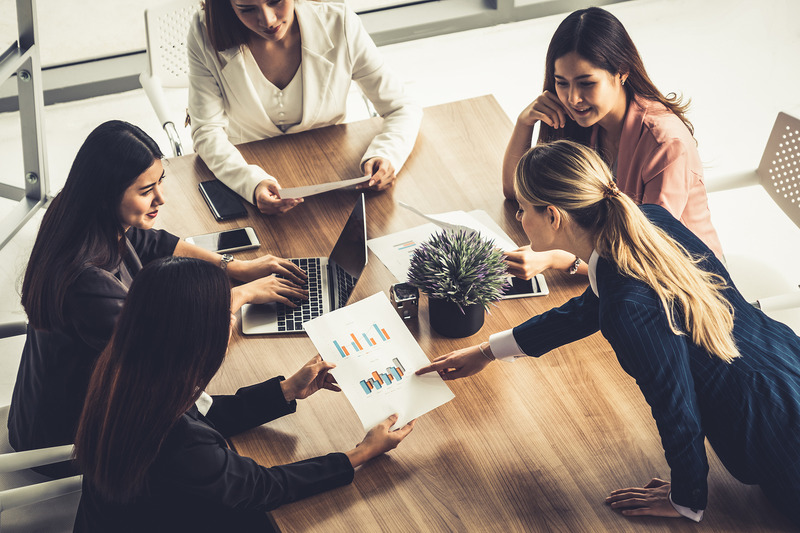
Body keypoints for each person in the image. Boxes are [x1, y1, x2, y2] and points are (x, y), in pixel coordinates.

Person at [418, 140, 800, 525]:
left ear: (553, 216)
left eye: (523, 208)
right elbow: (590, 306)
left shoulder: (627, 304)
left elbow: (674, 406)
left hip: (770, 426)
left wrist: (685, 497)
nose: (519, 217)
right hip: (784, 358)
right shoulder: (648, 221)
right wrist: (487, 352)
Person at [9, 120, 308, 477]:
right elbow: (178, 364)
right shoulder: (87, 283)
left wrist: (234, 267)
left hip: (43, 407)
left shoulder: (78, 216)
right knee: (223, 465)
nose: (161, 198)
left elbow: (154, 243)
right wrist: (236, 296)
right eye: (146, 190)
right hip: (67, 443)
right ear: (106, 194)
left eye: (160, 181)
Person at [72, 256, 414, 531]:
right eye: (227, 314)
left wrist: (286, 390)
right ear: (197, 336)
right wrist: (361, 453)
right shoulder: (182, 441)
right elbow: (263, 488)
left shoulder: (126, 373)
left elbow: (205, 413)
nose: (232, 322)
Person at [501, 6, 723, 280]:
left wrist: (559, 258)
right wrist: (525, 123)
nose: (572, 98)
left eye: (586, 83)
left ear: (622, 72)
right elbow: (516, 192)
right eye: (562, 83)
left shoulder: (666, 143)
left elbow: (647, 253)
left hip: (688, 283)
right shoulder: (576, 121)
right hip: (614, 272)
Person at [188, 0, 423, 214]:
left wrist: (386, 153)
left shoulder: (339, 23)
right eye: (247, 9)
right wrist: (250, 183)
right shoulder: (203, 32)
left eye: (275, 1)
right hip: (248, 173)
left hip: (333, 180)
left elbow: (402, 106)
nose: (268, 20)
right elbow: (207, 131)